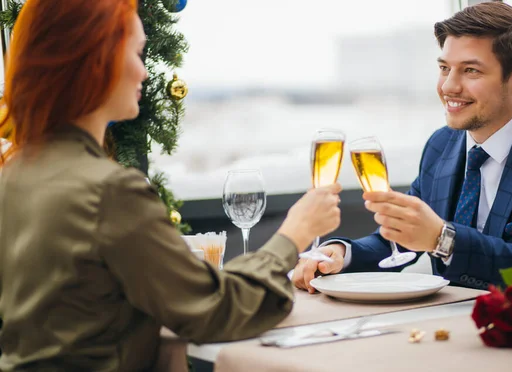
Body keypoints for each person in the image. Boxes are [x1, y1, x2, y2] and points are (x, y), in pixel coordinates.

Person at [0, 0, 342, 370]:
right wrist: (294, 234)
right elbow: (216, 311)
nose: (144, 73)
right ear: (95, 63)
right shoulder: (109, 192)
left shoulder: (16, 174)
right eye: (135, 53)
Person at [293, 1, 512, 293]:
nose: (448, 86)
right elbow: (404, 236)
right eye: (444, 68)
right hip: (448, 328)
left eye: (471, 71)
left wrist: (444, 240)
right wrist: (340, 253)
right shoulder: (441, 145)